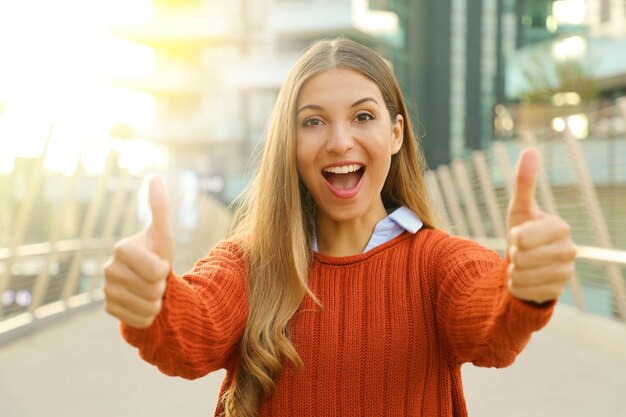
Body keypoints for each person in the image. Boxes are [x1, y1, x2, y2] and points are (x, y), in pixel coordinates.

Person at [103, 37, 576, 417]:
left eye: (363, 116)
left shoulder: (437, 261)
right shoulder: (249, 263)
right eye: (313, 122)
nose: (339, 141)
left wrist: (520, 289)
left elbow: (488, 324)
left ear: (395, 134)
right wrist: (155, 300)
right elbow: (194, 333)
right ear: (290, 143)